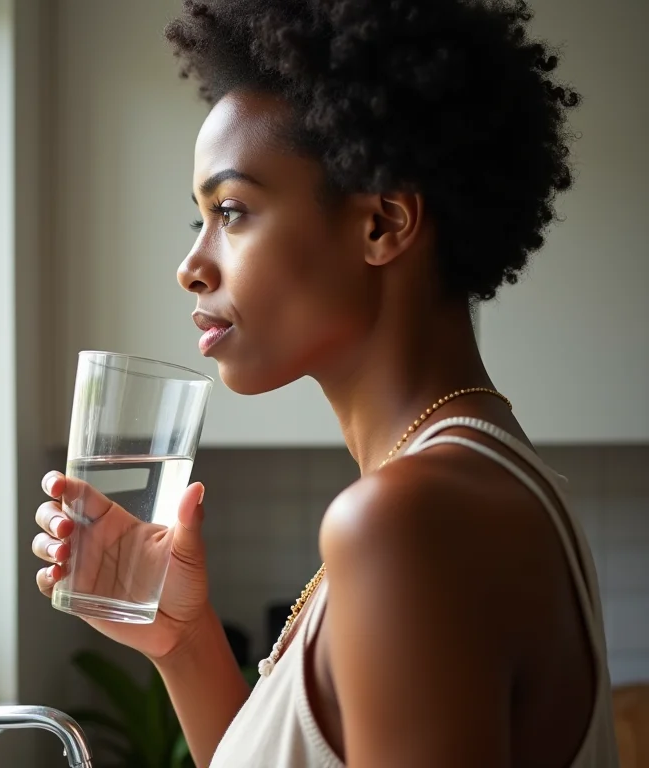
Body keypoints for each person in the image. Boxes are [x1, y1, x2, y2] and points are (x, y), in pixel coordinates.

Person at [32, 0, 620, 765]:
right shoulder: (474, 483)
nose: (192, 266)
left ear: (383, 224)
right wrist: (182, 641)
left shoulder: (409, 521)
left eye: (232, 211)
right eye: (199, 219)